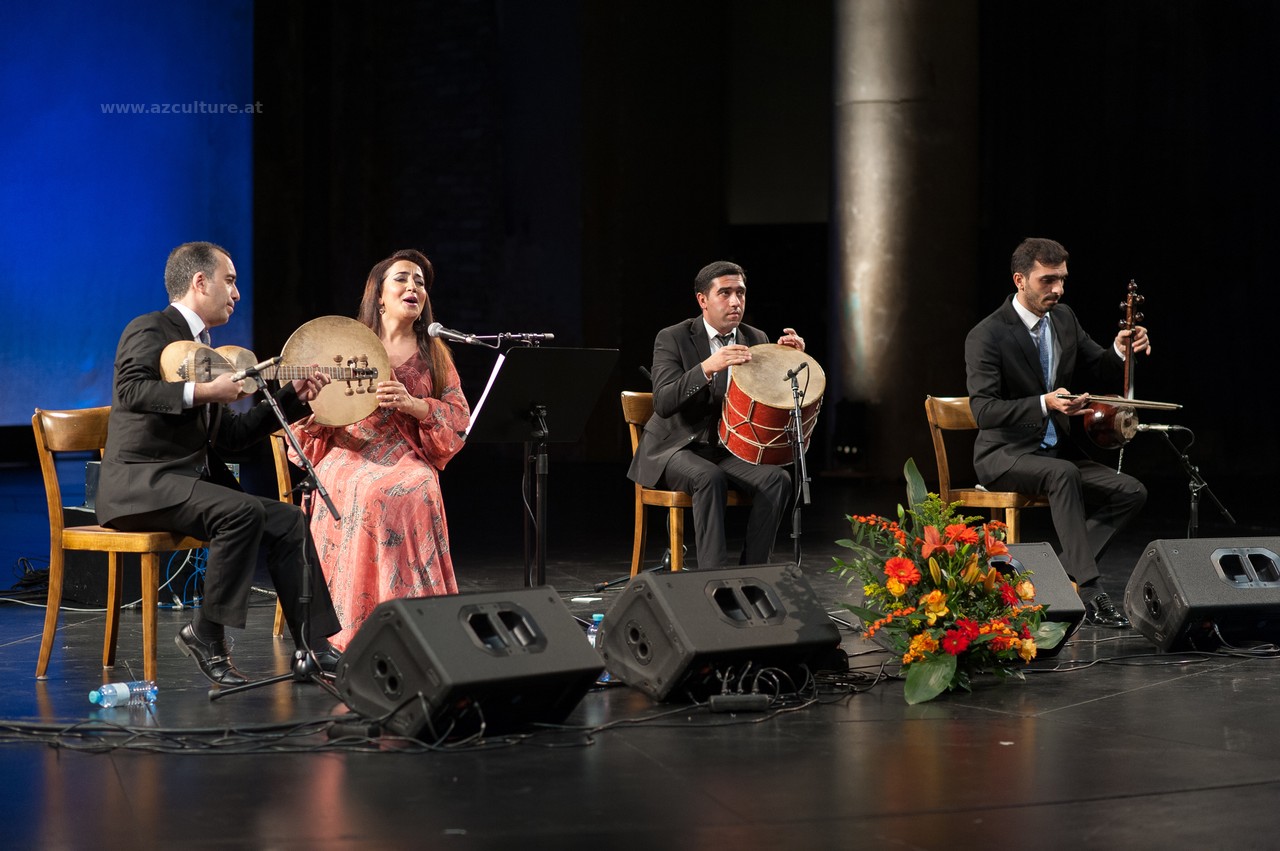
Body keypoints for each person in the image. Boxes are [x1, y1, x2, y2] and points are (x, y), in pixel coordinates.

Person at [96, 241, 342, 686]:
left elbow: (231, 437)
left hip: (185, 485)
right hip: (141, 485)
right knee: (241, 511)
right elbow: (131, 391)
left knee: (288, 520)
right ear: (199, 281)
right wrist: (206, 392)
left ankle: (313, 647)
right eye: (229, 281)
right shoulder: (150, 328)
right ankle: (207, 634)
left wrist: (291, 398)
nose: (237, 293)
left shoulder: (206, 350)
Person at [965, 237, 1150, 627]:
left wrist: (1120, 350)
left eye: (1062, 279)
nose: (1058, 289)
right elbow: (984, 411)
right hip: (1005, 454)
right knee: (1063, 473)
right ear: (1020, 280)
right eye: (1047, 280)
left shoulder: (1064, 319)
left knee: (1131, 490)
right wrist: (1044, 403)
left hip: (1054, 454)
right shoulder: (988, 334)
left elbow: (1101, 366)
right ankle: (1091, 590)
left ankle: (1054, 575)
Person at [291, 249, 469, 650]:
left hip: (405, 451)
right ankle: (354, 623)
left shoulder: (435, 353)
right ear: (380, 296)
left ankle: (415, 624)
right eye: (402, 279)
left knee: (415, 487)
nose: (413, 287)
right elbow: (316, 404)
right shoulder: (348, 344)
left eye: (420, 282)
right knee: (365, 490)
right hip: (351, 447)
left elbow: (459, 417)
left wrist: (414, 404)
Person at [628, 260, 805, 570]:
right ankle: (714, 579)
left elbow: (772, 402)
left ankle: (753, 574)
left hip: (727, 449)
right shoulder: (673, 337)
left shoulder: (755, 337)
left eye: (740, 293)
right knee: (708, 477)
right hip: (675, 448)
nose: (735, 301)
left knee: (777, 479)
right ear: (703, 300)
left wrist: (789, 362)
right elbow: (664, 402)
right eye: (725, 293)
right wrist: (707, 367)